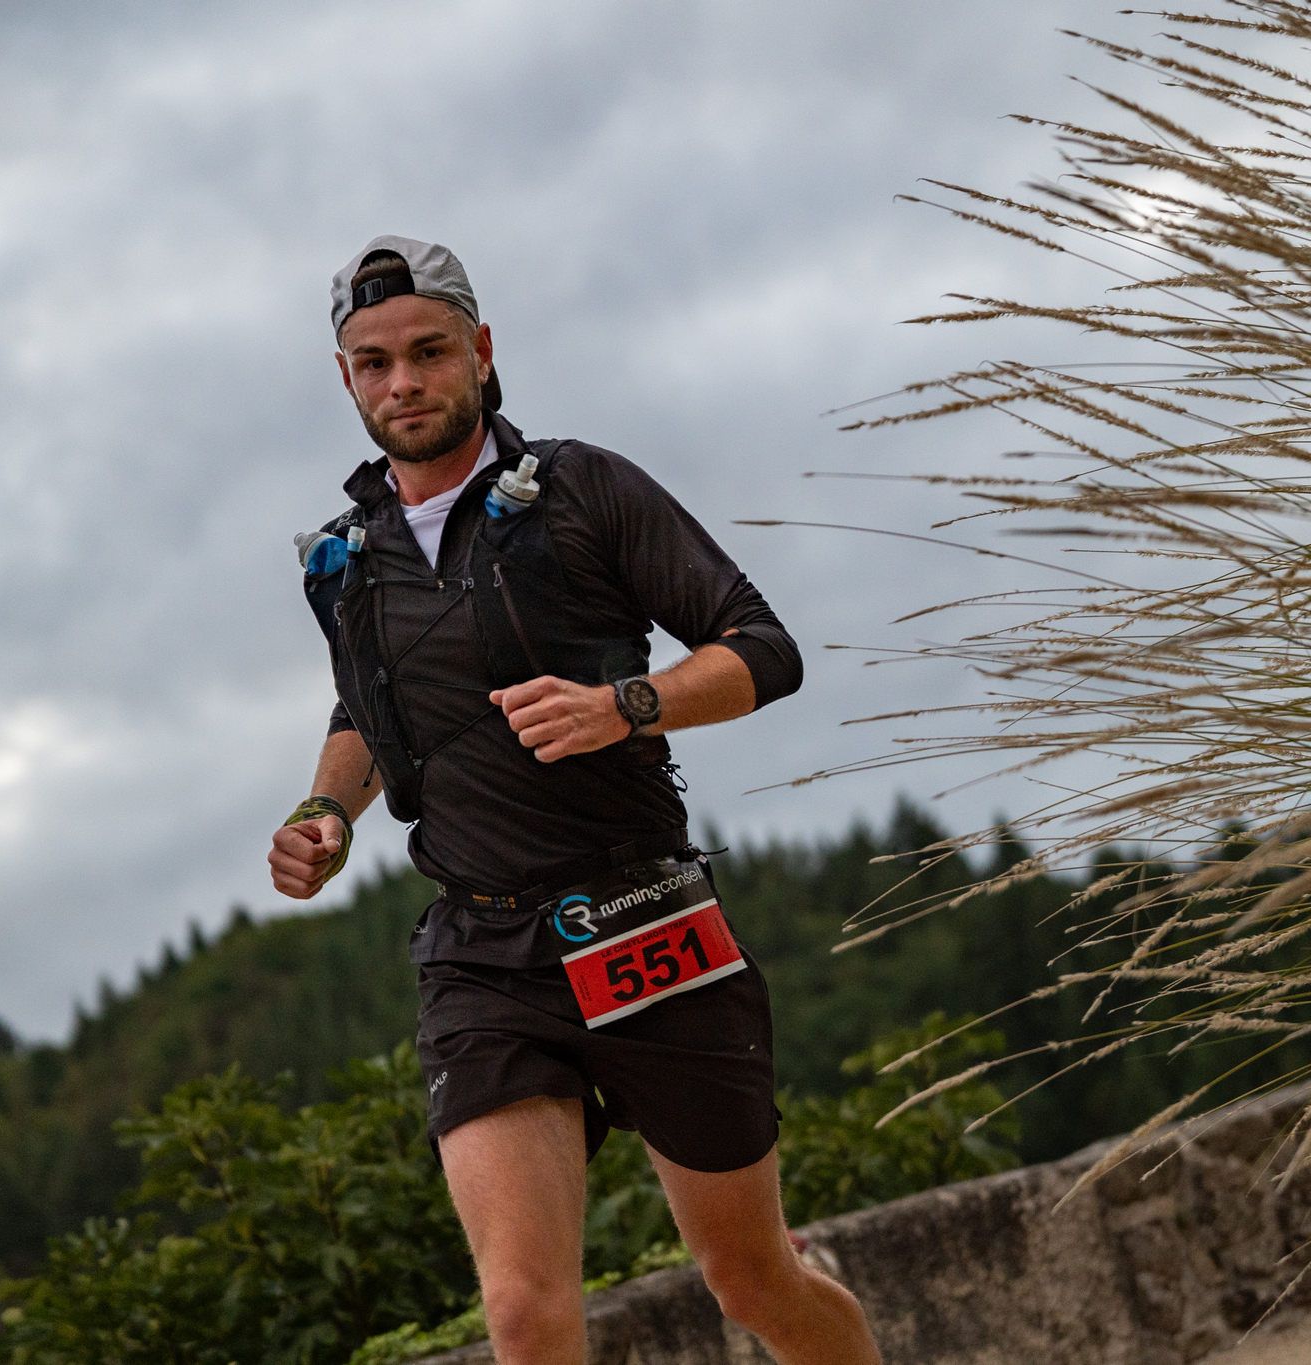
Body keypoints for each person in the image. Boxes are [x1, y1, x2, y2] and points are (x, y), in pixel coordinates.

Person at [266, 236, 881, 1365]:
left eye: (428, 352)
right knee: (521, 1308)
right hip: (482, 953)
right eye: (374, 363)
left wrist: (626, 706)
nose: (404, 382)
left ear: (480, 351)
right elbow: (365, 708)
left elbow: (763, 648)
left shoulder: (582, 487)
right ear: (345, 378)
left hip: (641, 916)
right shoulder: (345, 561)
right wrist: (326, 811)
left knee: (751, 1279)